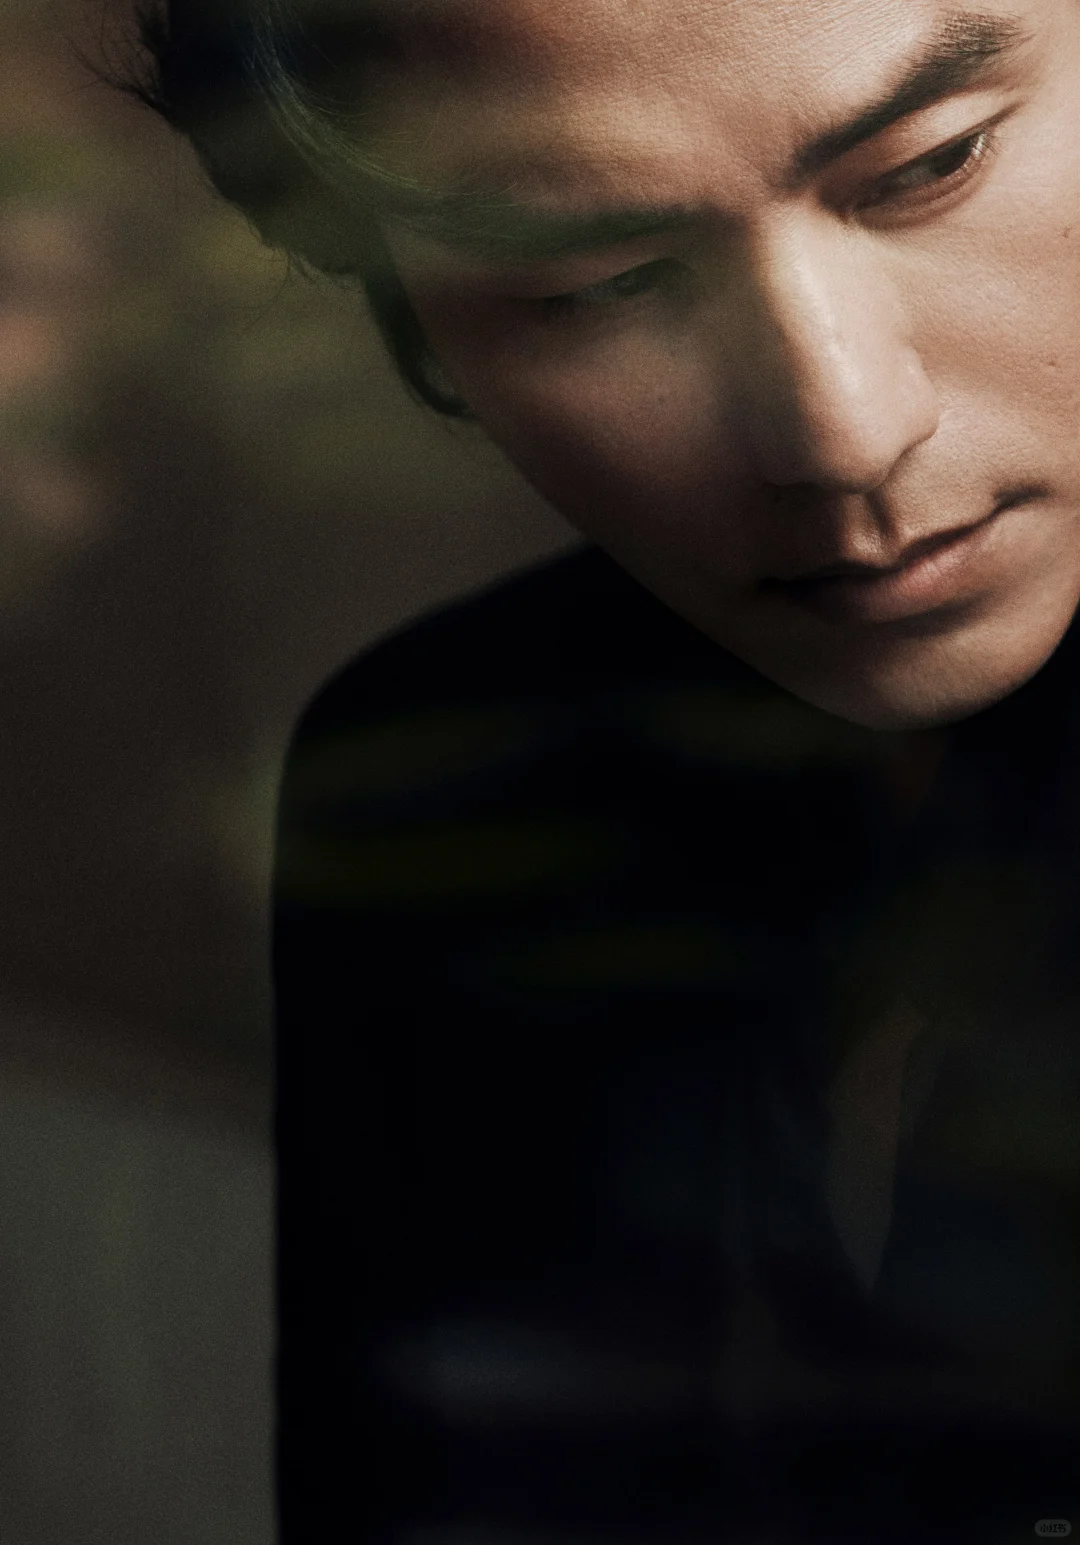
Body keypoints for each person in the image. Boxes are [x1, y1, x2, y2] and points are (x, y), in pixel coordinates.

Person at [127, 0, 1080, 1538]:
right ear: (411, 310)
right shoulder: (444, 777)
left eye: (932, 166)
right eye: (597, 282)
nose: (841, 432)